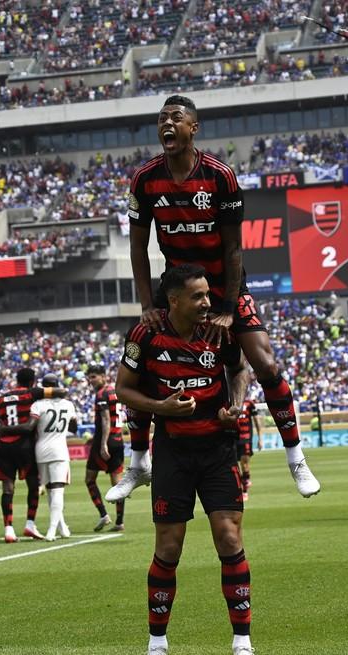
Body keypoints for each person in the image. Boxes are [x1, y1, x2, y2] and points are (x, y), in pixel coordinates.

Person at [116, 94, 319, 504]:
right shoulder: (144, 180)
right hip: (175, 287)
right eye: (161, 119)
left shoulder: (220, 176)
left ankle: (296, 457)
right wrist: (147, 305)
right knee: (140, 363)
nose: (167, 124)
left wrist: (227, 308)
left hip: (225, 286)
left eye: (176, 118)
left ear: (194, 128)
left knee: (265, 363)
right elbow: (138, 248)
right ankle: (138, 462)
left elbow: (233, 249)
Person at [115, 264, 254, 655]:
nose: (207, 302)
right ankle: (157, 642)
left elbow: (239, 370)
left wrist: (235, 405)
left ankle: (242, 640)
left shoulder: (220, 331)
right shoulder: (144, 335)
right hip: (173, 452)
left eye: (208, 294)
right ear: (173, 300)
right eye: (198, 296)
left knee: (229, 537)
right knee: (169, 547)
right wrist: (162, 406)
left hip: (217, 448)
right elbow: (123, 390)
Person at [0, 367, 61, 542]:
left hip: (4, 448)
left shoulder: (0, 399)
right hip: (25, 446)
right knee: (33, 484)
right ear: (32, 382)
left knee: (8, 488)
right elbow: (61, 391)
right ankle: (30, 523)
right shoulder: (32, 393)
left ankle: (8, 529)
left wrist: (5, 429)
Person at [31, 374, 77, 541]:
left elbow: (32, 428)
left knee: (50, 490)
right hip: (59, 449)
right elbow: (74, 427)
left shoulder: (37, 405)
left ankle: (62, 528)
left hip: (41, 449)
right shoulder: (68, 404)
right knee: (57, 491)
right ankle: (51, 531)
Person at [85, 364, 126, 532]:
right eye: (89, 377)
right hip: (118, 439)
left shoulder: (101, 394)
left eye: (94, 376)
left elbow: (106, 420)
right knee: (117, 484)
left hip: (105, 441)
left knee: (89, 479)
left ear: (103, 376)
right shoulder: (115, 391)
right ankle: (119, 522)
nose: (91, 380)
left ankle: (103, 514)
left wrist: (102, 444)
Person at [236, 390, 262, 500]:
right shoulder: (230, 403)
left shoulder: (249, 403)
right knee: (235, 467)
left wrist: (260, 438)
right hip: (233, 438)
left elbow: (256, 421)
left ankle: (245, 491)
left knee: (244, 464)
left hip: (246, 438)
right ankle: (243, 483)